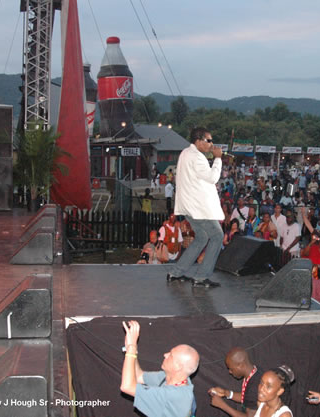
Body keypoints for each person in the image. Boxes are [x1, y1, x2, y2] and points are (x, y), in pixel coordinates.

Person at [168, 127, 224, 288]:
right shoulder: (198, 158)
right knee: (217, 236)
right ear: (198, 141)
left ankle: (176, 272)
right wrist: (218, 159)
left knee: (201, 237)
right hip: (199, 208)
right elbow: (213, 177)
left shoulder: (185, 153)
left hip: (189, 206)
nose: (211, 144)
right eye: (208, 140)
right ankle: (201, 277)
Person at [120, 320, 199, 417]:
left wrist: (131, 348)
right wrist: (131, 348)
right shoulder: (174, 377)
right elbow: (139, 376)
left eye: (171, 355)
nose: (165, 355)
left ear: (178, 366)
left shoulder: (173, 396)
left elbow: (126, 387)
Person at [209, 347, 262, 417]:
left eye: (231, 369)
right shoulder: (255, 372)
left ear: (240, 365)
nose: (230, 372)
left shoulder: (255, 385)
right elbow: (248, 397)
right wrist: (226, 393)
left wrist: (222, 405)